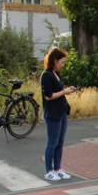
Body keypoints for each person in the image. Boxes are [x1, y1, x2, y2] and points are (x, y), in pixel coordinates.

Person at [40, 48, 76, 181]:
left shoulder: (56, 74)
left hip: (61, 111)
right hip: (53, 113)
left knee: (60, 142)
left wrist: (67, 90)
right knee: (52, 142)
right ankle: (48, 170)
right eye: (62, 62)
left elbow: (60, 90)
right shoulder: (46, 75)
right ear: (54, 61)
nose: (63, 65)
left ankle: (58, 168)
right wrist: (64, 92)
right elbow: (48, 96)